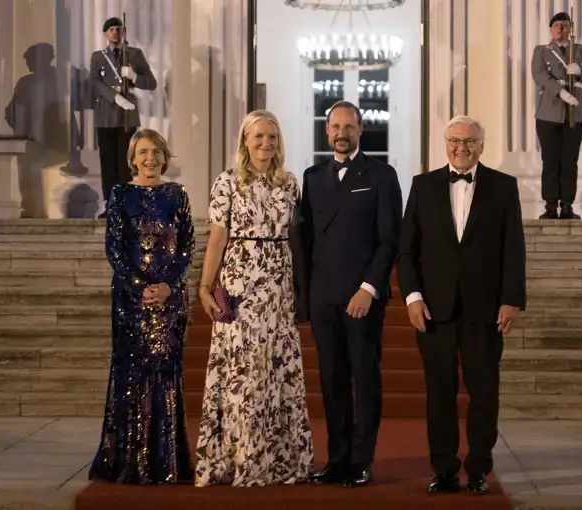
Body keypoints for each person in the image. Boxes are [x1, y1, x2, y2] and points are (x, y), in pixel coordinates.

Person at [396, 116, 526, 494]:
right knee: (439, 392)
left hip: (485, 309)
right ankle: (445, 469)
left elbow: (513, 248)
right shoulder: (423, 186)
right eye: (454, 141)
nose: (461, 149)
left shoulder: (504, 187)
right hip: (434, 309)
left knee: (484, 392)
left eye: (469, 142)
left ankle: (479, 467)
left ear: (482, 146)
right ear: (444, 143)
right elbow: (407, 250)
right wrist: (413, 297)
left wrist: (512, 300)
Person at [195, 110, 313, 487]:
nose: (266, 143)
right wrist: (204, 285)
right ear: (245, 140)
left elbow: (296, 241)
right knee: (242, 374)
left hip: (277, 285)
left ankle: (277, 459)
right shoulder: (227, 182)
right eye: (259, 136)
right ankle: (238, 457)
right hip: (239, 283)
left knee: (274, 369)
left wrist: (298, 289)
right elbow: (217, 238)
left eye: (272, 137)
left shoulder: (289, 183)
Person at [301, 100, 402, 488]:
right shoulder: (311, 177)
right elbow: (306, 242)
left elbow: (390, 239)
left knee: (365, 379)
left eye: (349, 127)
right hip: (323, 299)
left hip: (362, 298)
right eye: (335, 127)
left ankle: (362, 461)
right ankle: (337, 458)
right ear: (327, 131)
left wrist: (369, 289)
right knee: (331, 382)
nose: (342, 134)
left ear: (361, 130)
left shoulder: (381, 175)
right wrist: (307, 295)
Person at [89, 128, 194, 484]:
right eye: (143, 152)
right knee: (131, 377)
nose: (150, 158)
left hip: (169, 301)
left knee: (165, 374)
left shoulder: (177, 195)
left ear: (165, 157)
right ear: (133, 158)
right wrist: (140, 288)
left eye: (157, 152)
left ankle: (166, 462)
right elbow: (114, 248)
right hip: (130, 302)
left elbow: (187, 247)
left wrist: (167, 286)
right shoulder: (120, 194)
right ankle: (127, 462)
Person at [531, 11, 582, 220]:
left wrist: (581, 72)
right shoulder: (542, 51)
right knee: (551, 160)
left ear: (570, 28)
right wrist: (560, 91)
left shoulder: (580, 50)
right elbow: (539, 75)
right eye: (556, 26)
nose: (560, 29)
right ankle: (551, 204)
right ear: (551, 29)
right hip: (549, 111)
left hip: (575, 111)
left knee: (570, 160)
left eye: (564, 25)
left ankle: (567, 204)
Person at [89, 16, 157, 218]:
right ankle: (110, 203)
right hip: (106, 114)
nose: (115, 33)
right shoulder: (98, 57)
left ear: (123, 31)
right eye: (111, 29)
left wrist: (135, 77)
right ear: (105, 34)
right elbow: (94, 83)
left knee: (126, 162)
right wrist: (114, 97)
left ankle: (125, 205)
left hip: (127, 115)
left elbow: (151, 83)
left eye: (118, 29)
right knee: (107, 161)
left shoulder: (134, 54)